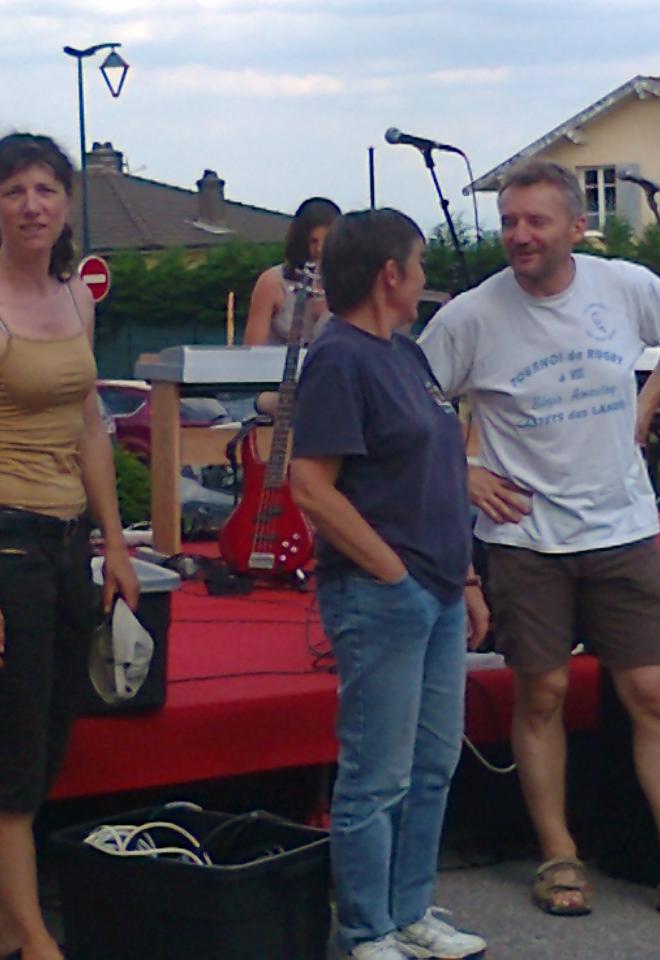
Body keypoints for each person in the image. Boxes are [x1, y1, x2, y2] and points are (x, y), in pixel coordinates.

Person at [418, 160, 660, 934]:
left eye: (536, 221)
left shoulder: (622, 285)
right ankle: (559, 854)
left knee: (657, 696)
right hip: (525, 538)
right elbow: (413, 400)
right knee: (544, 695)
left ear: (575, 227)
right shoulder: (472, 315)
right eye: (508, 222)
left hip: (621, 527)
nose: (520, 236)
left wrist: (648, 399)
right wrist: (462, 469)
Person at [0, 132, 140, 960]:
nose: (32, 206)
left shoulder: (76, 301)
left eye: (46, 190)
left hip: (67, 543)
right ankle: (36, 945)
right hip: (2, 540)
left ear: (66, 203)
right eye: (14, 192)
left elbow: (90, 425)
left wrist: (117, 544)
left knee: (47, 746)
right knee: (13, 758)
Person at [289, 208, 489, 960]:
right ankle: (366, 929)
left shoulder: (405, 355)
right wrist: (392, 571)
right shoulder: (340, 357)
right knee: (376, 772)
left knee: (432, 764)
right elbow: (312, 485)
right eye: (419, 263)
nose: (426, 277)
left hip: (436, 588)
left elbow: (439, 472)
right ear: (390, 275)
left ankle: (410, 911)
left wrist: (463, 579)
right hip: (385, 594)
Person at [243, 195, 341, 346]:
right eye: (313, 241)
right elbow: (253, 350)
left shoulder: (345, 283)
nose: (320, 249)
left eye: (326, 241)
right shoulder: (271, 282)